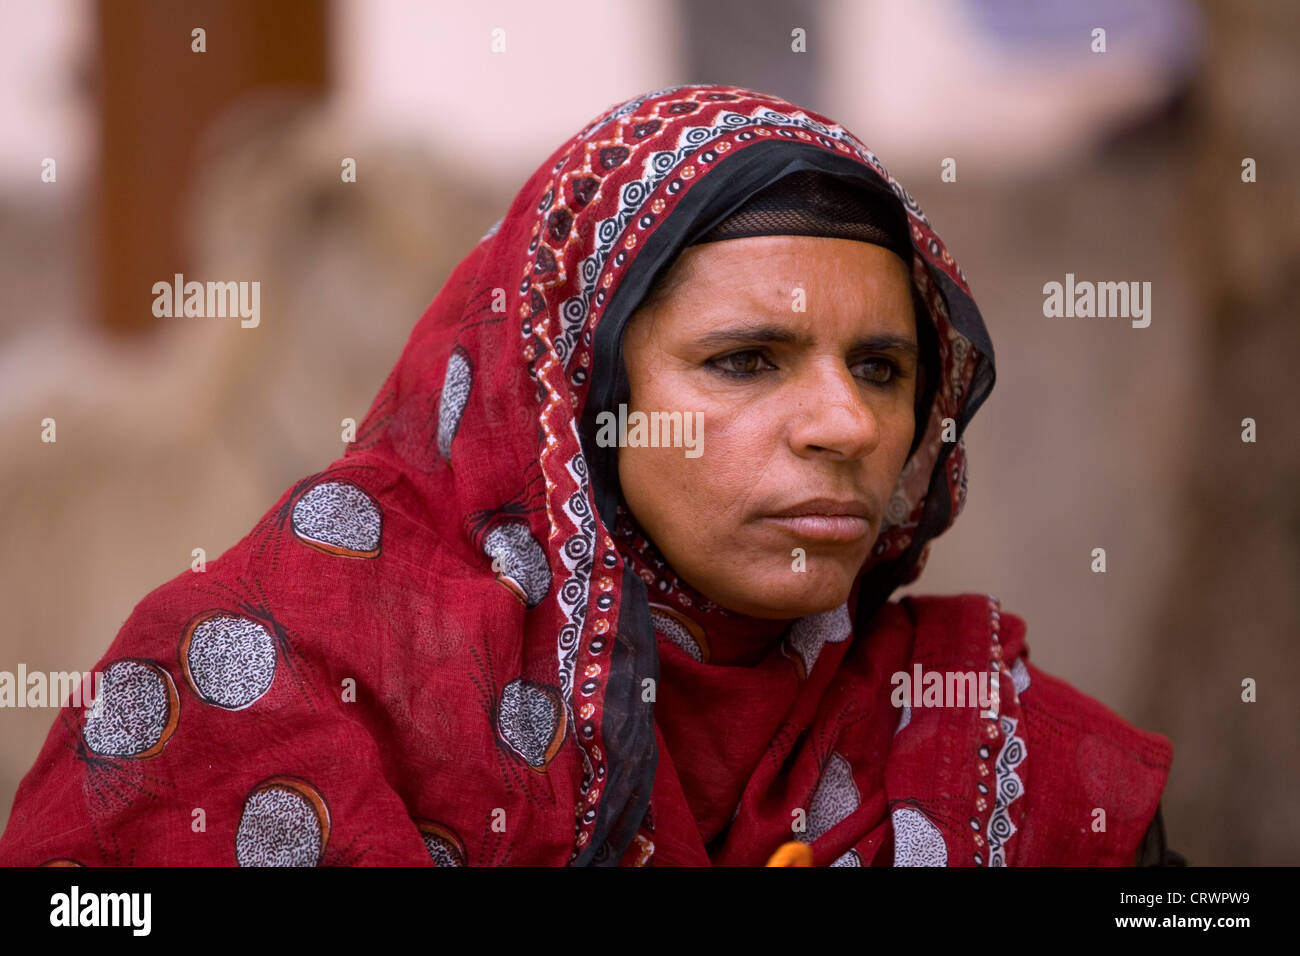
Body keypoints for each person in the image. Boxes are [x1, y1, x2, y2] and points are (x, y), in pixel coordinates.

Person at [0, 83, 1181, 866]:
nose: (843, 422)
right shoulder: (264, 694)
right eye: (745, 360)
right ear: (580, 396)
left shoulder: (996, 747)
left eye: (881, 366)